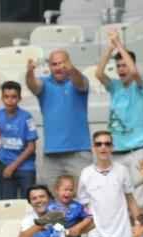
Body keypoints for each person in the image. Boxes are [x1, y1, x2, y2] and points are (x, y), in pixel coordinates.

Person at [26, 49, 91, 186]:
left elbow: (80, 82)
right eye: (54, 64)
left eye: (62, 63)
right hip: (51, 156)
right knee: (54, 202)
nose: (58, 67)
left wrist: (71, 68)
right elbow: (33, 85)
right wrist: (30, 71)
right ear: (49, 66)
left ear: (69, 64)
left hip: (78, 152)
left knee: (83, 197)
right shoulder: (44, 83)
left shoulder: (78, 80)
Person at [96, 31, 143, 194]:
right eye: (118, 66)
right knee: (118, 195)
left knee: (140, 199)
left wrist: (119, 44)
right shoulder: (114, 86)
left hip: (136, 152)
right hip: (116, 152)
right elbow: (98, 74)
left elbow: (134, 72)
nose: (121, 69)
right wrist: (110, 48)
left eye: (124, 64)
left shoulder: (141, 85)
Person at [78, 131, 140, 237]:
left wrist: (138, 225)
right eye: (99, 144)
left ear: (112, 147)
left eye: (107, 144)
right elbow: (83, 206)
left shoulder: (122, 170)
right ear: (93, 148)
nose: (103, 147)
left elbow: (131, 200)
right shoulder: (86, 173)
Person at [0, 81, 38, 199]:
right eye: (6, 97)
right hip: (4, 165)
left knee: (29, 203)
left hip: (25, 168)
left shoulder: (27, 117)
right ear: (2, 98)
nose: (10, 100)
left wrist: (12, 167)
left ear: (19, 98)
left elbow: (31, 147)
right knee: (8, 205)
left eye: (14, 97)